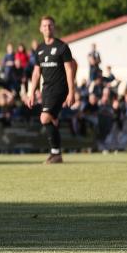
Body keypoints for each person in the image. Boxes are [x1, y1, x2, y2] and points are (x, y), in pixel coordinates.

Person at [27, 16, 77, 164]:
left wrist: (71, 91)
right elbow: (36, 72)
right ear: (40, 29)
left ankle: (55, 153)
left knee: (44, 118)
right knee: (51, 120)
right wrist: (31, 92)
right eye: (44, 26)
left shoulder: (62, 47)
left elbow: (70, 69)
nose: (47, 28)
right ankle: (56, 153)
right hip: (46, 90)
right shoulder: (40, 49)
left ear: (54, 27)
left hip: (60, 88)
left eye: (50, 25)